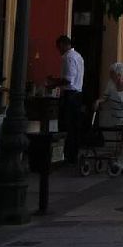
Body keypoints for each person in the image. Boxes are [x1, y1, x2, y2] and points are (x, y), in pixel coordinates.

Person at [95, 62, 123, 172]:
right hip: (117, 116)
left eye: (112, 74)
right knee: (120, 140)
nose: (110, 76)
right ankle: (121, 162)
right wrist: (98, 101)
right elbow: (105, 97)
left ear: (120, 75)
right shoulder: (111, 83)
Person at [47, 35, 85, 164]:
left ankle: (67, 155)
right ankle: (72, 154)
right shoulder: (78, 56)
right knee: (74, 126)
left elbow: (68, 79)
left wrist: (54, 82)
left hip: (70, 95)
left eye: (59, 47)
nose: (59, 50)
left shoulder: (68, 58)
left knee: (65, 126)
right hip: (78, 94)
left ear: (63, 45)